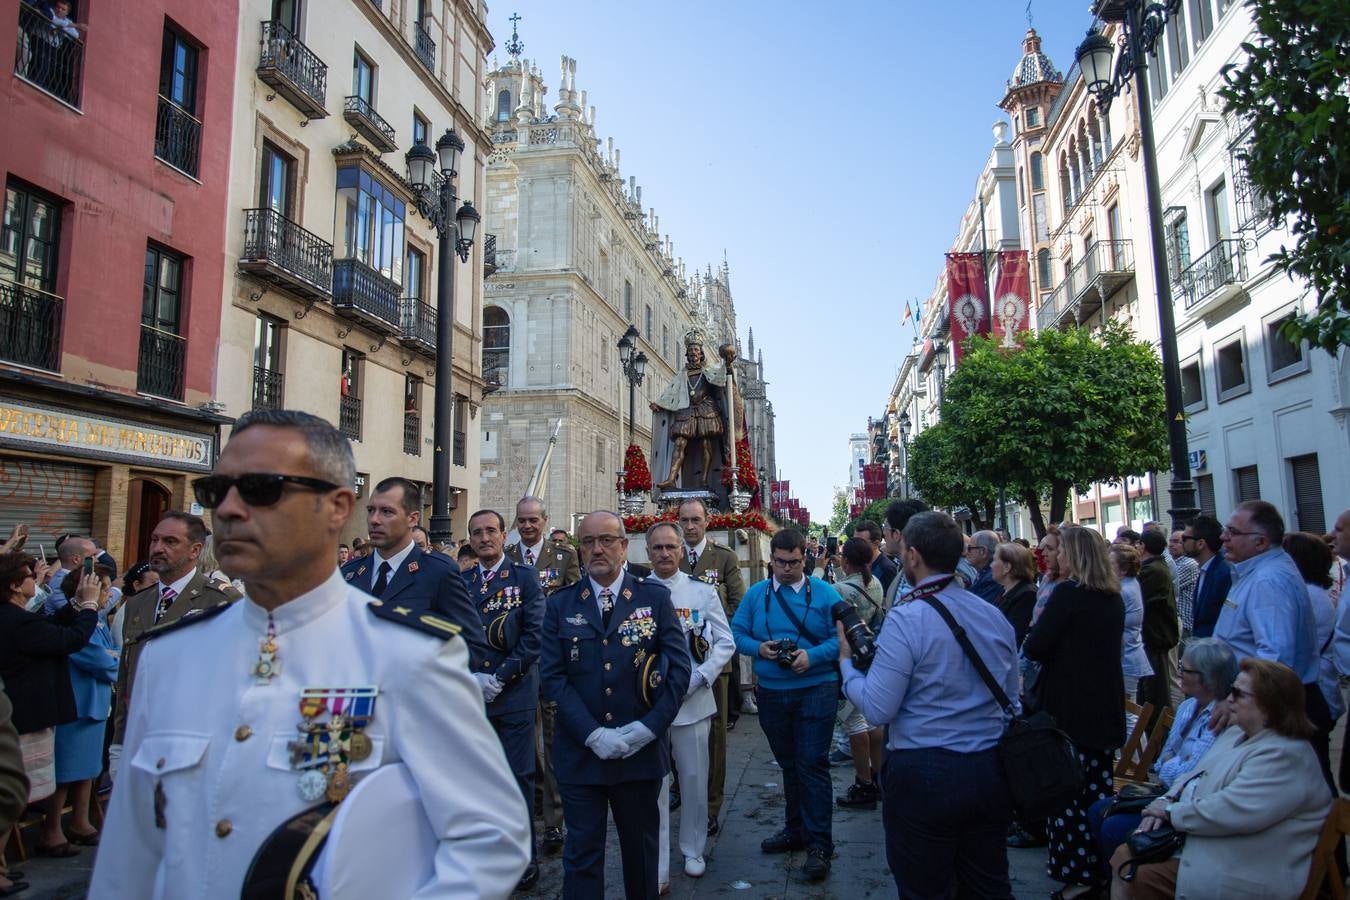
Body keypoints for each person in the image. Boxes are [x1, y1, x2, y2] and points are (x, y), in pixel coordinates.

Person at [89, 409, 530, 897]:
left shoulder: (409, 655)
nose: (229, 510)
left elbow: (491, 839)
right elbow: (128, 857)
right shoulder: (169, 658)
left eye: (261, 488)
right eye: (217, 492)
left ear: (338, 507)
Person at [840, 510, 1019, 898]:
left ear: (913, 556)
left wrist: (846, 668)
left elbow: (878, 707)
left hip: (924, 770)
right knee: (987, 883)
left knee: (925, 885)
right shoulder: (993, 615)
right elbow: (1012, 698)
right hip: (988, 768)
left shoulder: (909, 619)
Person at [539, 511, 690, 899]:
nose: (597, 549)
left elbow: (677, 671)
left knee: (641, 859)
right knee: (582, 859)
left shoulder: (654, 598)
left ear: (624, 546)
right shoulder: (561, 604)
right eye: (588, 542)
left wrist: (649, 728)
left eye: (606, 540)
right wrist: (592, 734)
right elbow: (554, 677)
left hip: (638, 754)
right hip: (581, 755)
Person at [1109, 658, 1332, 899]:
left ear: (1269, 705)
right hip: (1212, 844)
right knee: (1124, 852)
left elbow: (1232, 810)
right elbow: (1190, 776)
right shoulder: (1238, 733)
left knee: (1133, 867)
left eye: (1237, 693)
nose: (1228, 700)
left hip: (1244, 868)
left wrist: (1170, 812)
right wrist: (1166, 800)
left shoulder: (1285, 755)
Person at [730, 528, 842, 882]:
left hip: (817, 689)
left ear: (804, 558)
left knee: (812, 765)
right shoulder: (756, 595)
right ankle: (795, 830)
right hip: (773, 692)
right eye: (780, 563)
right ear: (771, 561)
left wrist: (812, 656)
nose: (787, 569)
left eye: (793, 562)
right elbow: (736, 632)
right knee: (789, 764)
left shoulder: (825, 593)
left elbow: (840, 640)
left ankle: (820, 845)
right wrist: (758, 648)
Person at [1023, 525, 1125, 898]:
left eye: (1062, 551)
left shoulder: (1068, 594)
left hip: (1069, 709)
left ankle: (1078, 875)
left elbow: (1037, 645)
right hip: (1103, 707)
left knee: (1065, 794)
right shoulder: (1112, 597)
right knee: (1096, 792)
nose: (1056, 557)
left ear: (1076, 556)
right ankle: (1098, 867)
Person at [109, 512, 240, 781]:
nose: (157, 548)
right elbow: (127, 676)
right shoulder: (138, 603)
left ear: (195, 550)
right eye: (155, 540)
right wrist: (119, 742)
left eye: (170, 541)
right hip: (139, 738)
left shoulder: (221, 600)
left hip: (196, 745)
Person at [1087, 638, 1235, 876]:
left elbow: (1188, 771)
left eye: (1186, 670)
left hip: (1183, 800)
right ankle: (1106, 884)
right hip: (1164, 791)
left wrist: (1171, 765)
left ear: (1208, 678)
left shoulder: (1218, 719)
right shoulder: (1188, 707)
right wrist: (1173, 764)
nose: (1180, 674)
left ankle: (1122, 884)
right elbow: (1163, 757)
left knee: (1113, 827)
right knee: (1097, 810)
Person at [645, 522, 734, 888]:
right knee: (655, 786)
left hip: (692, 700)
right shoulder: (637, 591)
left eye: (670, 547)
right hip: (648, 704)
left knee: (695, 778)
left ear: (682, 550)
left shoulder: (702, 593)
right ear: (647, 552)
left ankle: (693, 848)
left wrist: (701, 677)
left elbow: (725, 642)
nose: (664, 554)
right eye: (657, 548)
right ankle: (658, 860)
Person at [463, 508, 546, 891]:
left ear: (503, 535)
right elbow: (453, 633)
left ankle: (522, 855)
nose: (484, 538)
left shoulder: (524, 578)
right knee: (478, 778)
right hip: (472, 695)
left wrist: (500, 676)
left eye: (491, 531)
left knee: (517, 777)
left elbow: (534, 635)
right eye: (477, 533)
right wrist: (469, 676)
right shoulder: (461, 582)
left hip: (512, 693)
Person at [1213, 501, 1325, 782]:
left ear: (1260, 542)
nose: (1223, 538)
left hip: (1272, 708)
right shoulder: (1256, 573)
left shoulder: (1268, 581)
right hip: (1265, 704)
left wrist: (1235, 700)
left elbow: (1273, 657)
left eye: (1232, 532)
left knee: (1297, 790)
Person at [0, 552, 101, 863]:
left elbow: (50, 627)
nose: (37, 579)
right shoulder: (16, 620)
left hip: (23, 711)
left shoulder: (17, 617)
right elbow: (67, 640)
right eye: (31, 576)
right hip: (26, 714)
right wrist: (89, 606)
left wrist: (75, 607)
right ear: (17, 586)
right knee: (13, 796)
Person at [340, 477, 489, 665]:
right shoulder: (350, 574)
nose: (374, 520)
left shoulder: (437, 572)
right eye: (371, 510)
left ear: (412, 518)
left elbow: (473, 644)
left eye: (386, 512)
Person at [505, 495, 582, 855]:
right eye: (522, 520)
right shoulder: (508, 558)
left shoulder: (564, 556)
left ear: (545, 520)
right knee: (523, 738)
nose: (527, 526)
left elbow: (574, 602)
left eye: (533, 520)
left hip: (551, 660)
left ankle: (554, 820)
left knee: (552, 741)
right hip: (518, 662)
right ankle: (535, 797)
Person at [676, 497, 746, 832]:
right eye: (684, 521)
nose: (690, 527)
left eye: (695, 520)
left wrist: (707, 632)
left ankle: (712, 804)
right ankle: (680, 786)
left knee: (714, 734)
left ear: (707, 522)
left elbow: (736, 603)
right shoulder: (669, 556)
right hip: (675, 662)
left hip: (713, 662)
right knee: (674, 724)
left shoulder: (723, 558)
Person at [44, 566, 117, 853]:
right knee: (65, 771)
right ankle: (51, 830)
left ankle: (80, 821)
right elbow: (99, 660)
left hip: (95, 702)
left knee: (88, 769)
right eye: (104, 587)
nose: (109, 593)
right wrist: (119, 661)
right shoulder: (78, 622)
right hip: (76, 701)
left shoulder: (96, 620)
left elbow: (109, 653)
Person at [1284, 531, 1344, 779]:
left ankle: (1330, 816)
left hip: (1313, 693)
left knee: (1316, 772)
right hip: (1319, 689)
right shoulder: (1312, 593)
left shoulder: (1307, 595)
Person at [832, 536, 885, 811]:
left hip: (849, 659)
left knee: (853, 722)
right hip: (872, 656)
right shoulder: (875, 583)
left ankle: (863, 782)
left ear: (846, 561)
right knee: (872, 720)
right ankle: (877, 777)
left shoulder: (841, 589)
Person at [652, 329, 730, 491]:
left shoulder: (708, 370)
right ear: (686, 354)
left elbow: (720, 378)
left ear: (701, 353)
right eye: (690, 350)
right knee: (679, 443)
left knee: (706, 443)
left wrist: (727, 364)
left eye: (696, 350)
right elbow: (671, 391)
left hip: (706, 409)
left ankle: (704, 480)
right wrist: (660, 403)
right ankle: (671, 478)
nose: (693, 352)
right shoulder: (682, 374)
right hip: (686, 408)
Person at [1136, 529, 1178, 716]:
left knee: (1155, 692)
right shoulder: (1156, 568)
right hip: (1154, 635)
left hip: (1154, 636)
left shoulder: (1152, 571)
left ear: (1143, 546)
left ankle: (1158, 732)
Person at [1110, 544, 1154, 716]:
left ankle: (1135, 743)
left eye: (1111, 564)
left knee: (1128, 713)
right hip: (1130, 655)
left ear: (1123, 569)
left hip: (1127, 657)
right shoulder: (1131, 584)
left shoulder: (1124, 590)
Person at [1184, 514, 1232, 639]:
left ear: (1200, 543)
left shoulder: (1224, 574)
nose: (1181, 542)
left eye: (1185, 538)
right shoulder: (1205, 570)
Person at [881, 499, 928, 609]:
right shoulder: (906, 567)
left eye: (885, 527)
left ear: (896, 534)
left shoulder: (921, 573)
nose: (883, 532)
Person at [991, 541, 1038, 648]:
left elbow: (1014, 636)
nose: (991, 565)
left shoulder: (1027, 595)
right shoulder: (1005, 590)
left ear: (1007, 567)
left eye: (994, 560)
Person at [1168, 529, 1200, 643]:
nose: (1171, 544)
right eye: (1170, 541)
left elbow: (1169, 586)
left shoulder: (1189, 564)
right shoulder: (1172, 562)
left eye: (1176, 541)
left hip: (1185, 622)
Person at [852, 520, 898, 595]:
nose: (855, 546)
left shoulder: (887, 568)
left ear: (876, 543)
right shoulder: (858, 563)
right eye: (854, 541)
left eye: (861, 542)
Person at [965, 530, 1002, 604]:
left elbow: (976, 607)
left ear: (983, 551)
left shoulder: (992, 578)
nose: (966, 552)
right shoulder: (984, 572)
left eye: (969, 548)